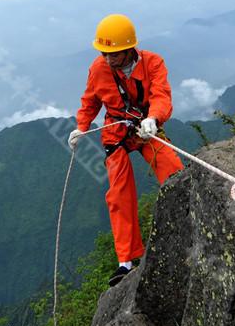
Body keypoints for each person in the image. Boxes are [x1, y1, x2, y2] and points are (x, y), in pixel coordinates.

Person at [69, 14, 184, 287]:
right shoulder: (99, 68)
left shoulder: (153, 63)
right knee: (119, 194)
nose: (108, 59)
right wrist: (81, 127)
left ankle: (189, 220)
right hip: (117, 131)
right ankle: (127, 260)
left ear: (129, 49)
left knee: (173, 169)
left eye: (114, 55)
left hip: (146, 128)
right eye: (104, 53)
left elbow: (161, 95)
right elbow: (90, 100)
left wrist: (153, 119)